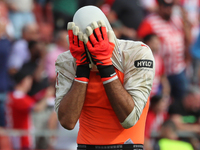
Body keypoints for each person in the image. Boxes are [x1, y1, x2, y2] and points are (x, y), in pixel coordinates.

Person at [55, 6, 155, 149]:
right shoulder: (67, 60)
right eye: (86, 41)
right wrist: (82, 69)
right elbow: (67, 122)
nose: (90, 44)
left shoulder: (136, 53)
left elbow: (129, 118)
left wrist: (105, 65)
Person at [138, 0, 191, 103]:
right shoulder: (151, 21)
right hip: (161, 71)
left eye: (171, 6)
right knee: (162, 102)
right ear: (160, 6)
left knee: (181, 100)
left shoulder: (177, 20)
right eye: (166, 6)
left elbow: (188, 39)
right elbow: (140, 41)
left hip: (178, 68)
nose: (169, 9)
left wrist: (184, 18)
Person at [6, 65, 49, 150]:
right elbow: (37, 108)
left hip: (18, 139)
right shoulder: (18, 97)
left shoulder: (13, 96)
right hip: (21, 141)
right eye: (29, 80)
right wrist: (47, 96)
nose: (31, 83)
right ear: (23, 81)